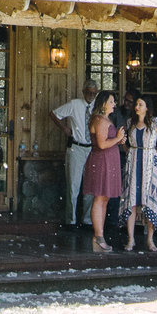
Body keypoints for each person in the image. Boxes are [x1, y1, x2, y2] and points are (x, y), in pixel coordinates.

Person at [118, 93, 157, 252]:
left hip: (150, 164)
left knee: (150, 201)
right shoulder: (130, 122)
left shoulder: (155, 122)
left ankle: (150, 240)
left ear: (147, 108)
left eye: (140, 104)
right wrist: (123, 144)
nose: (136, 107)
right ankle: (130, 239)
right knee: (131, 202)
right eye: (136, 104)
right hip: (133, 163)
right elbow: (126, 148)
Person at [80, 92, 124, 252]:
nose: (114, 104)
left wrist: (119, 139)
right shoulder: (99, 120)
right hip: (102, 161)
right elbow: (102, 144)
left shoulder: (105, 119)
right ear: (104, 103)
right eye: (111, 101)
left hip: (108, 161)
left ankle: (100, 236)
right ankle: (98, 237)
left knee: (104, 198)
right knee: (99, 198)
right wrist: (118, 138)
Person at [51, 95, 94, 227]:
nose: (91, 95)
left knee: (90, 186)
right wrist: (64, 128)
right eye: (89, 92)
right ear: (84, 91)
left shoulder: (96, 106)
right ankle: (71, 220)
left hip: (91, 148)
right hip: (76, 147)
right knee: (73, 185)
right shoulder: (74, 104)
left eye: (94, 92)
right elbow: (54, 114)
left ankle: (87, 220)